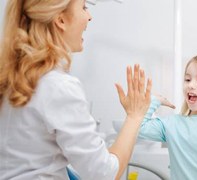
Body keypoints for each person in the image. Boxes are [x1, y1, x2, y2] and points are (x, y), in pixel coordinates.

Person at [0, 0, 151, 179]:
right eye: (84, 7)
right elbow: (104, 173)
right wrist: (135, 116)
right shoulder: (58, 87)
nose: (89, 16)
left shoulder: (9, 81)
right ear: (61, 20)